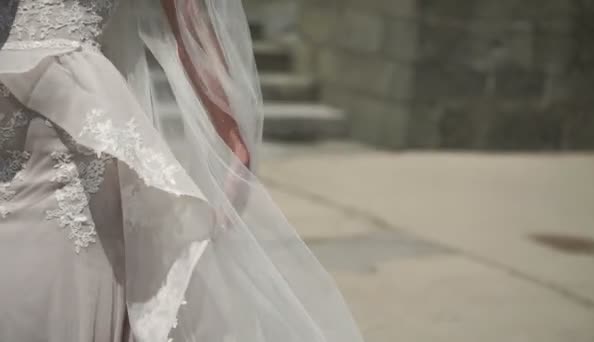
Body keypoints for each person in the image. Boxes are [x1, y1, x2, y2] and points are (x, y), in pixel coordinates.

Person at [0, 0, 365, 341]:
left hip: (70, 116)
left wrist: (232, 135)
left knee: (56, 279)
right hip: (53, 105)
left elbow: (188, 16)